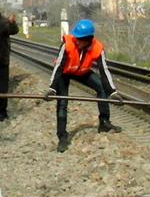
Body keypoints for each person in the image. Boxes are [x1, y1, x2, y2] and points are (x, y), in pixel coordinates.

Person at [47, 19, 116, 151]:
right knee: (62, 102)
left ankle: (104, 122)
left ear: (88, 39)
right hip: (65, 72)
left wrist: (113, 91)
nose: (76, 40)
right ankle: (62, 137)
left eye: (79, 39)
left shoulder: (97, 48)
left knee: (102, 88)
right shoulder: (67, 44)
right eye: (76, 38)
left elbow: (104, 70)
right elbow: (58, 67)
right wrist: (52, 88)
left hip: (82, 71)